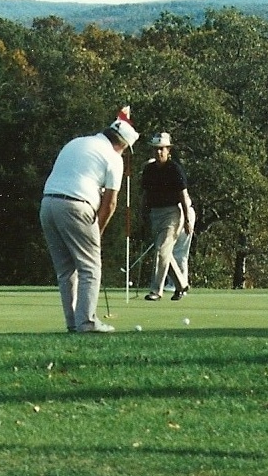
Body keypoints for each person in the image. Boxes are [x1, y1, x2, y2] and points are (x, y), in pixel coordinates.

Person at [40, 109, 139, 333]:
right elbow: (110, 204)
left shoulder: (77, 142)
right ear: (122, 145)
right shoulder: (113, 158)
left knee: (66, 271)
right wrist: (97, 232)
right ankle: (86, 322)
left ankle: (73, 324)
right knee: (90, 268)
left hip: (48, 204)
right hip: (76, 206)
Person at [141, 132, 192, 301]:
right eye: (156, 149)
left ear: (168, 150)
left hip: (172, 214)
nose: (158, 152)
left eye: (162, 149)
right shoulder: (149, 169)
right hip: (156, 214)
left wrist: (187, 220)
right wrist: (143, 214)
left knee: (161, 250)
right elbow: (146, 194)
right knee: (165, 253)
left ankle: (156, 291)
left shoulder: (174, 169)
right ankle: (181, 285)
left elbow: (183, 195)